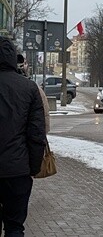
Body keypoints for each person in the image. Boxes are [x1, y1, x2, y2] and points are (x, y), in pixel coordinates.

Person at [0, 38, 46, 236]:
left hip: (16, 168)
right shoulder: (29, 88)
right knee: (15, 227)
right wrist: (33, 167)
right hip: (17, 170)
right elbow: (36, 134)